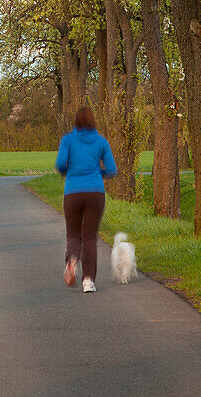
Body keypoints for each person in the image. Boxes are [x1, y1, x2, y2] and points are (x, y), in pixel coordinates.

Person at [55, 105, 117, 293]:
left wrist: (70, 172)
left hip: (73, 191)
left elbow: (59, 164)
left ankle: (73, 258)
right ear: (92, 121)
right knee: (89, 237)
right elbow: (112, 169)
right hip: (95, 192)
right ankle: (88, 281)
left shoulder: (68, 140)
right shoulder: (101, 142)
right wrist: (98, 173)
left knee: (73, 234)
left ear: (76, 121)